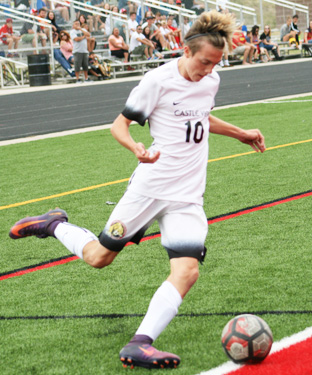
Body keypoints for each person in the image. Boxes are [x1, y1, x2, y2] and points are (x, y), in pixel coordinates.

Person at [9, 10, 266, 370]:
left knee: (187, 271)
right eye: (205, 62)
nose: (209, 70)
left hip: (188, 196)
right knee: (100, 257)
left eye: (216, 63)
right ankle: (53, 223)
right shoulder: (157, 81)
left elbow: (201, 116)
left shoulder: (210, 81)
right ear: (187, 51)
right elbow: (119, 124)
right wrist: (135, 148)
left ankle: (139, 344)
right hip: (150, 187)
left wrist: (242, 133)